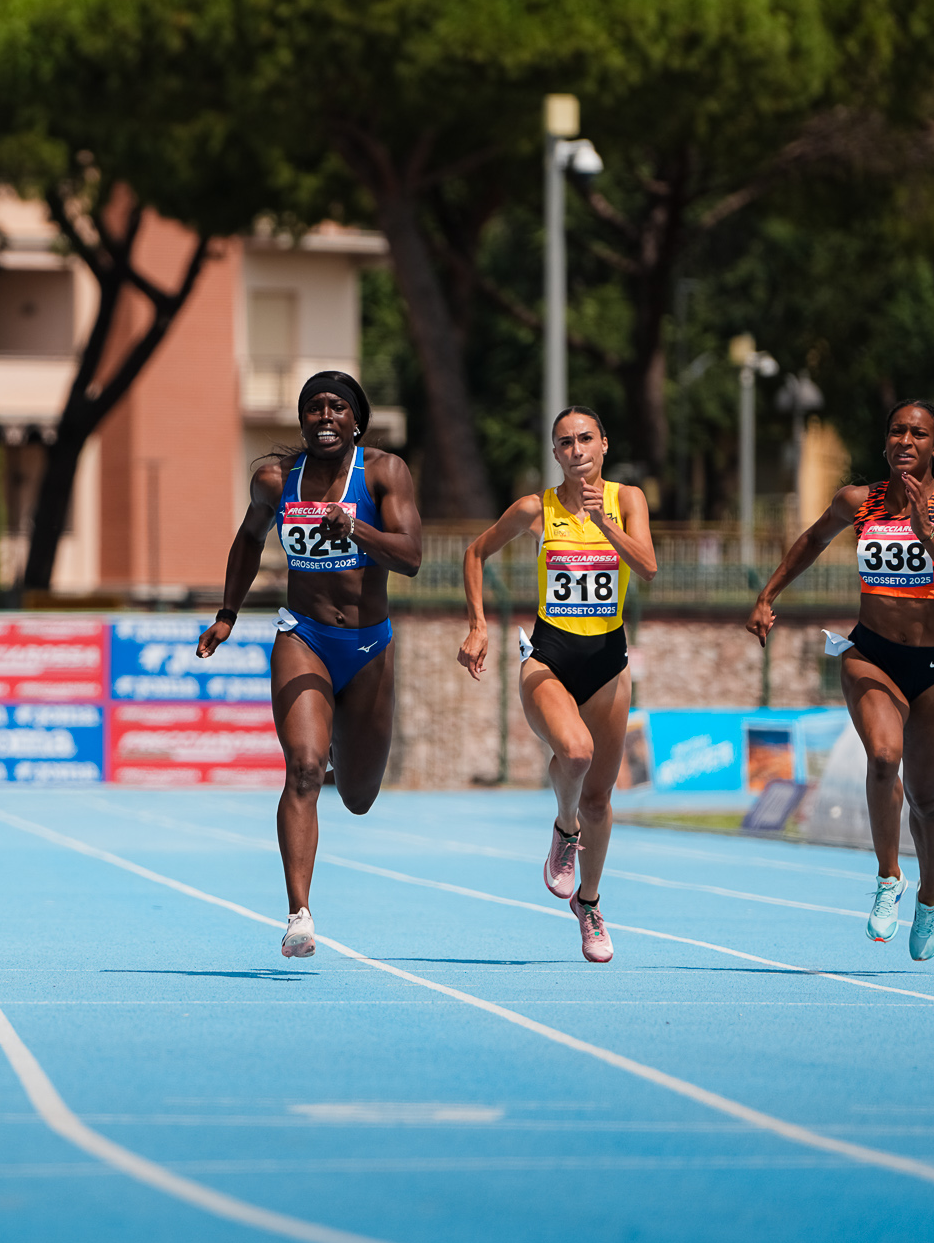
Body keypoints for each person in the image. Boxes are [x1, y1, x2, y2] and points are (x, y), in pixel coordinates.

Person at [746, 401, 934, 961]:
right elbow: (812, 539)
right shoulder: (859, 502)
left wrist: (929, 536)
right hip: (870, 654)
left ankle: (930, 897)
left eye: (918, 433)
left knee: (927, 799)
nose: (905, 440)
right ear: (886, 441)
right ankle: (888, 877)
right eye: (897, 430)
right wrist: (767, 594)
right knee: (883, 756)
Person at [199, 372, 422, 959]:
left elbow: (411, 557)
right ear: (302, 420)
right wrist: (227, 614)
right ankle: (299, 914)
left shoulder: (384, 472)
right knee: (302, 767)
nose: (325, 416)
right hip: (304, 636)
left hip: (369, 648)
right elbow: (250, 538)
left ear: (356, 420)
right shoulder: (276, 479)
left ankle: (342, 746)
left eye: (337, 407)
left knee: (358, 797)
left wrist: (357, 527)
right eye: (314, 408)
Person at [456, 408, 658, 963]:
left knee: (599, 798)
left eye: (585, 439)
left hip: (609, 663)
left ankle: (588, 903)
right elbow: (475, 552)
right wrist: (478, 625)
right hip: (549, 655)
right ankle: (565, 831)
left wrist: (605, 524)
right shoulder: (535, 509)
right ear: (555, 453)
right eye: (565, 442)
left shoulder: (627, 499)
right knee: (575, 752)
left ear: (604, 444)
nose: (576, 450)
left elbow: (647, 566)